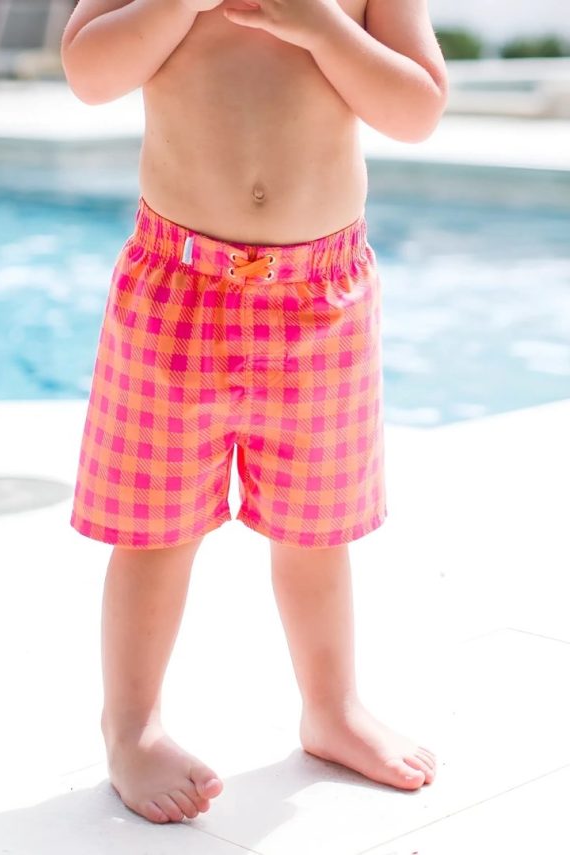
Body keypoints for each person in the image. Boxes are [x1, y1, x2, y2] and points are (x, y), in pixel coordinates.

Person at [61, 0, 448, 825]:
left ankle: (331, 708)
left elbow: (416, 109)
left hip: (321, 297)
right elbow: (89, 73)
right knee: (155, 532)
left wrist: (319, 25)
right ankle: (133, 726)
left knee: (316, 531)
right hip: (177, 286)